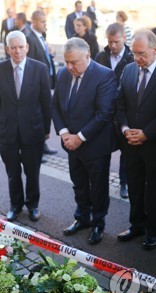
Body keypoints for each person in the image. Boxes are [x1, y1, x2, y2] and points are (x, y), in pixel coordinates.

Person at [115, 29, 156, 250]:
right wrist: (125, 129)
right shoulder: (128, 70)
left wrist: (146, 133)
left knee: (155, 189)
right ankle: (137, 225)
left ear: (155, 50)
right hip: (131, 142)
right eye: (134, 53)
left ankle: (154, 229)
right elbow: (121, 103)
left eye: (141, 54)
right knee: (134, 185)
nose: (137, 58)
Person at [51, 38, 117, 245]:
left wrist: (79, 137)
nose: (69, 67)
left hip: (95, 145)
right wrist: (63, 134)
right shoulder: (63, 73)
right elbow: (55, 106)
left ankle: (98, 223)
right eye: (66, 61)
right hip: (70, 143)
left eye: (74, 62)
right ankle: (82, 218)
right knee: (78, 183)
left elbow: (104, 113)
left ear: (87, 57)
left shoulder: (104, 75)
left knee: (97, 186)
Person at [0, 31, 52, 222]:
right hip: (7, 130)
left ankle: (33, 205)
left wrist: (46, 129)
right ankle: (15, 205)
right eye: (13, 48)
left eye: (21, 47)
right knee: (12, 172)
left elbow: (46, 102)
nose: (18, 51)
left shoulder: (40, 69)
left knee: (32, 173)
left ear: (27, 47)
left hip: (33, 131)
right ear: (7, 49)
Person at [94, 22, 134, 199]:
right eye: (110, 42)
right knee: (102, 150)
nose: (113, 46)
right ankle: (100, 183)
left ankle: (124, 183)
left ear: (124, 39)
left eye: (116, 42)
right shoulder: (101, 56)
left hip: (124, 112)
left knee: (126, 152)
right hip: (104, 114)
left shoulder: (132, 59)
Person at [24, 10, 59, 159]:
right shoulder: (29, 38)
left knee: (44, 116)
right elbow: (29, 65)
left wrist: (52, 53)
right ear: (35, 22)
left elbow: (45, 55)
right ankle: (35, 151)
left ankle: (42, 145)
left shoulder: (41, 35)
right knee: (35, 117)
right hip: (36, 85)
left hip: (46, 81)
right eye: (43, 22)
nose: (46, 25)